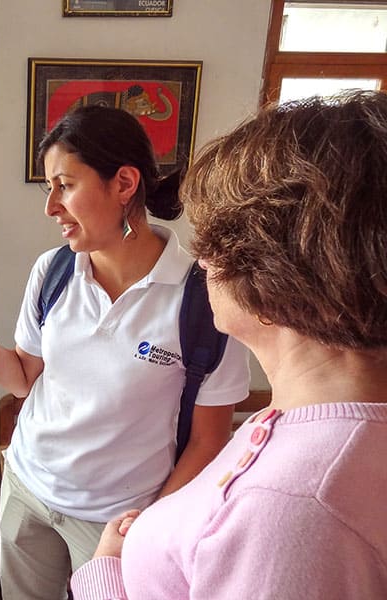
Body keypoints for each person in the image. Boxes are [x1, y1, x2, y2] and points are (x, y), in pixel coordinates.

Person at [0, 104, 250, 599]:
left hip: (119, 519)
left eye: (65, 186)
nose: (50, 206)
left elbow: (208, 439)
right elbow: (24, 378)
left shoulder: (202, 295)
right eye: (50, 188)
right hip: (27, 490)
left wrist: (148, 524)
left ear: (124, 184)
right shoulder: (54, 270)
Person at [69, 90, 387, 599]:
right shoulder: (317, 425)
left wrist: (104, 573)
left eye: (215, 242)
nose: (204, 263)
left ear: (276, 278)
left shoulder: (294, 509)